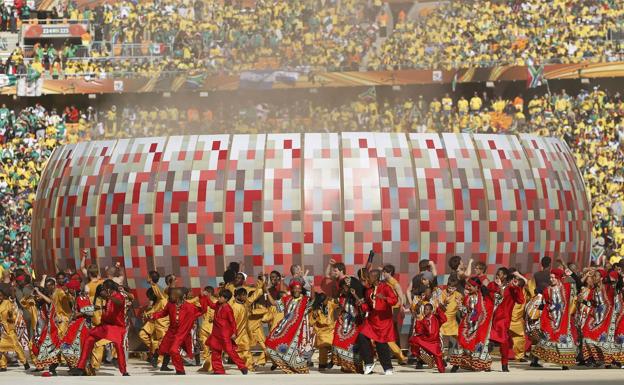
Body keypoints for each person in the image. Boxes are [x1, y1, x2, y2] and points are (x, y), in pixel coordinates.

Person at [70, 279, 128, 376]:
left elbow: (120, 303)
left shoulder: (118, 296)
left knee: (118, 346)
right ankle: (80, 368)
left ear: (108, 289)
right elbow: (97, 309)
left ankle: (124, 371)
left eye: (104, 289)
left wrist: (108, 297)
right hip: (104, 326)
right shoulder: (103, 299)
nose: (103, 291)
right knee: (89, 339)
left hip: (116, 327)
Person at [150, 287, 205, 375]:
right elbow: (163, 313)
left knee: (173, 350)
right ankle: (163, 362)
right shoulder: (170, 304)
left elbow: (202, 311)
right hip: (171, 331)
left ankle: (180, 370)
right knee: (164, 349)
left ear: (179, 296)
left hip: (181, 333)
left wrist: (203, 298)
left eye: (173, 294)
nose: (170, 296)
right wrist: (153, 316)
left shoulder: (189, 307)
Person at [353, 268, 398, 375]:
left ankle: (388, 368)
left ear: (376, 277)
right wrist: (361, 304)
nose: (367, 278)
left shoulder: (386, 287)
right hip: (372, 320)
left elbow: (395, 300)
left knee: (381, 343)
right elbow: (368, 306)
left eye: (370, 277)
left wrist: (385, 298)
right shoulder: (369, 290)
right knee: (361, 336)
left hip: (383, 321)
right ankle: (368, 363)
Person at [264, 279, 314, 373]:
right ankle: (285, 364)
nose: (297, 290)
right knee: (271, 340)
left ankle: (297, 366)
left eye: (298, 289)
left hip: (296, 329)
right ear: (292, 289)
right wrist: (267, 291)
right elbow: (274, 303)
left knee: (293, 348)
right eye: (295, 288)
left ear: (301, 290)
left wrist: (312, 286)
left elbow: (312, 299)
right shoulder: (287, 299)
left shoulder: (304, 300)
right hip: (284, 326)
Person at [530, 268, 577, 370]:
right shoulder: (547, 290)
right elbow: (545, 304)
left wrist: (572, 275)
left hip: (563, 320)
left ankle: (565, 363)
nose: (551, 279)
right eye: (550, 277)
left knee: (562, 340)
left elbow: (579, 283)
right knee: (546, 338)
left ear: (559, 278)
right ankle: (535, 359)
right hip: (550, 319)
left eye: (553, 277)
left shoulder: (567, 288)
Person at [449, 277, 495, 372]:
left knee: (479, 345)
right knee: (460, 342)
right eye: (467, 285)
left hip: (478, 327)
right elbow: (468, 312)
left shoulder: (483, 299)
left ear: (477, 287)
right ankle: (456, 365)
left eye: (470, 286)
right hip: (467, 326)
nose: (468, 287)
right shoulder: (468, 297)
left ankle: (484, 364)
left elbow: (486, 311)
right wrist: (460, 306)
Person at [487, 268, 525, 372]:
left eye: (501, 274)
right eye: (497, 274)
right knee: (487, 341)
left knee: (504, 342)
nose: (498, 276)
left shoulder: (511, 288)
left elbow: (521, 300)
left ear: (506, 276)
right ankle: (485, 363)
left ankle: (504, 364)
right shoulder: (491, 285)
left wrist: (516, 287)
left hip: (503, 320)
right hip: (490, 318)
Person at [203, 289, 248, 375]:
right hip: (216, 333)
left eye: (221, 297)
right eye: (219, 296)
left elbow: (232, 322)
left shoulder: (228, 309)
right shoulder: (217, 305)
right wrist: (206, 297)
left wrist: (234, 332)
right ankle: (218, 370)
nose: (219, 298)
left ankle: (242, 366)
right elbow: (211, 305)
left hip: (225, 334)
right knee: (215, 351)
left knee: (230, 351)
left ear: (226, 299)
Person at [332, 277, 364, 373]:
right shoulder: (342, 297)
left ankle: (354, 366)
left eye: (346, 287)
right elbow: (337, 305)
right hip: (343, 322)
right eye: (343, 287)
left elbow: (362, 306)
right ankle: (344, 365)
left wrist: (355, 295)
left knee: (352, 346)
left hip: (355, 323)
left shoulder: (359, 296)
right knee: (337, 342)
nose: (344, 289)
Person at [410, 303, 447, 373]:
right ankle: (418, 356)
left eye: (427, 309)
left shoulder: (436, 317)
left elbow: (444, 319)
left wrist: (438, 309)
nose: (425, 311)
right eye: (424, 309)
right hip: (427, 340)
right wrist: (418, 319)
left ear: (431, 310)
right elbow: (418, 331)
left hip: (435, 341)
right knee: (414, 339)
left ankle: (441, 369)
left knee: (438, 357)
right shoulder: (423, 320)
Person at [0, 287, 29, 372]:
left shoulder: (7, 303)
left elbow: (13, 308)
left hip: (9, 329)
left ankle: (24, 362)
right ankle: (3, 365)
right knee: (1, 348)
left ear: (3, 296)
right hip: (1, 331)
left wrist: (11, 316)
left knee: (16, 346)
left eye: (0, 296)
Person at [310, 292, 336, 371]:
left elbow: (338, 305)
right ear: (322, 301)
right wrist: (314, 317)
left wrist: (335, 298)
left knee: (334, 346)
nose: (327, 300)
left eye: (327, 299)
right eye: (326, 299)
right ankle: (322, 364)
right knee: (323, 348)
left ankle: (333, 361)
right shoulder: (315, 309)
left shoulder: (330, 304)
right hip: (322, 331)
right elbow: (311, 322)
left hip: (331, 329)